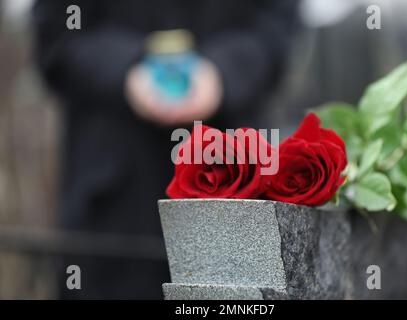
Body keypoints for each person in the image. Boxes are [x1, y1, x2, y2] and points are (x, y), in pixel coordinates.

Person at [32, 0, 297, 299]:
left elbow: (276, 28)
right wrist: (125, 70)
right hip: (111, 203)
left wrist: (223, 72)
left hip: (232, 192)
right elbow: (57, 37)